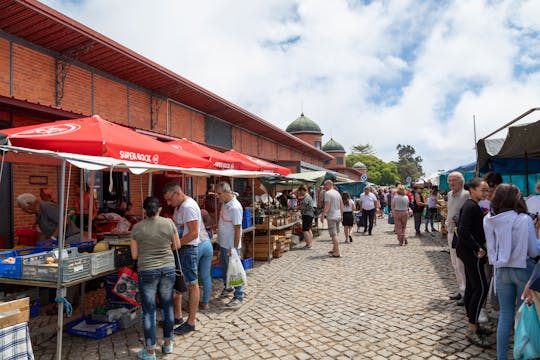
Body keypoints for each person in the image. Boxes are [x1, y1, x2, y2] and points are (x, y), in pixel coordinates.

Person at [483, 184, 540, 359]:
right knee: (523, 316)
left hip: (500, 270)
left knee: (505, 316)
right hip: (523, 268)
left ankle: (501, 357)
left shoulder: (488, 219)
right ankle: (521, 354)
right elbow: (533, 251)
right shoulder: (523, 219)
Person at [130, 197, 180, 360]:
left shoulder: (137, 228)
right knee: (167, 306)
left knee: (149, 311)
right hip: (168, 268)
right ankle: (167, 344)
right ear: (159, 209)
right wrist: (164, 249)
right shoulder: (169, 223)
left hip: (147, 270)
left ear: (144, 210)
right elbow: (177, 245)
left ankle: (150, 351)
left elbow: (134, 255)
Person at [162, 182, 208, 335]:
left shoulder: (188, 207)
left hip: (188, 249)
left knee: (192, 285)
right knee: (181, 284)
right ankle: (178, 316)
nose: (168, 203)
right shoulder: (179, 206)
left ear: (177, 193)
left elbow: (194, 233)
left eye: (169, 199)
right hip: (182, 248)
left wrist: (175, 245)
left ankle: (191, 322)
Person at [456, 177, 492, 348]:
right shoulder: (470, 206)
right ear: (472, 189)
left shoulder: (472, 206)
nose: (486, 193)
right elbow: (463, 231)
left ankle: (474, 324)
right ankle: (471, 329)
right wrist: (478, 248)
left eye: (487, 190)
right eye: (483, 190)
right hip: (472, 253)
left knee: (472, 287)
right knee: (481, 288)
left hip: (468, 252)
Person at [215, 181, 245, 308]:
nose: (217, 196)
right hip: (223, 243)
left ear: (227, 192)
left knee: (234, 270)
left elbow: (237, 229)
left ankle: (239, 295)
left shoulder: (235, 207)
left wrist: (233, 248)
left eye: (219, 193)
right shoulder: (225, 203)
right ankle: (228, 287)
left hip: (231, 245)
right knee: (224, 268)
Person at [446, 172, 469, 305]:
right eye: (449, 180)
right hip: (450, 231)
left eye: (454, 180)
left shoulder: (466, 195)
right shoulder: (449, 194)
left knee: (461, 264)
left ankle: (466, 293)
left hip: (459, 233)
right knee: (455, 264)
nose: (451, 182)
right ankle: (461, 291)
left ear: (461, 181)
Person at [321, 180, 343, 257]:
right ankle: (334, 249)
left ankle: (337, 252)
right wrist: (342, 215)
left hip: (332, 216)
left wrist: (323, 214)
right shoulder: (337, 193)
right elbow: (341, 205)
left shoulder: (328, 193)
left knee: (334, 235)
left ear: (329, 184)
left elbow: (327, 205)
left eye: (325, 185)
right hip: (338, 216)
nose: (324, 187)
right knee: (336, 233)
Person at [198, 209, 214, 310]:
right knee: (206, 276)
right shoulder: (203, 215)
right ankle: (206, 303)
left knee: (192, 277)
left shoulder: (188, 216)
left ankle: (193, 305)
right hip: (207, 244)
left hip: (197, 245)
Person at [297, 184, 315, 249]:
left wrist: (297, 207)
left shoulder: (306, 197)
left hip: (307, 215)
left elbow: (304, 206)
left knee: (305, 230)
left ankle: (309, 244)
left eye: (300, 191)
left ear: (303, 190)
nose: (300, 193)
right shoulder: (307, 196)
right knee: (309, 229)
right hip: (309, 215)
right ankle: (310, 243)